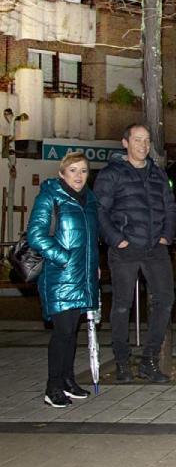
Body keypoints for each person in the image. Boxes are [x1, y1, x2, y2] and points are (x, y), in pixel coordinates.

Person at [94, 124, 176, 383]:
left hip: (155, 248)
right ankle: (121, 362)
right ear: (125, 143)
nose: (143, 145)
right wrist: (117, 240)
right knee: (121, 306)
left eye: (147, 140)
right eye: (137, 140)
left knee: (165, 300)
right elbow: (99, 210)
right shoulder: (111, 174)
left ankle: (149, 361)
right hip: (125, 250)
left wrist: (166, 235)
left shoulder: (158, 173)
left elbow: (170, 206)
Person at [28, 153, 99, 407]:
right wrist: (64, 258)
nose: (79, 176)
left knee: (72, 332)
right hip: (59, 276)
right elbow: (35, 235)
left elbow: (91, 239)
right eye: (73, 170)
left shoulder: (90, 199)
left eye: (83, 171)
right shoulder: (50, 196)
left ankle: (68, 381)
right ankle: (53, 386)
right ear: (62, 173)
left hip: (83, 276)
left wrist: (94, 267)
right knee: (63, 332)